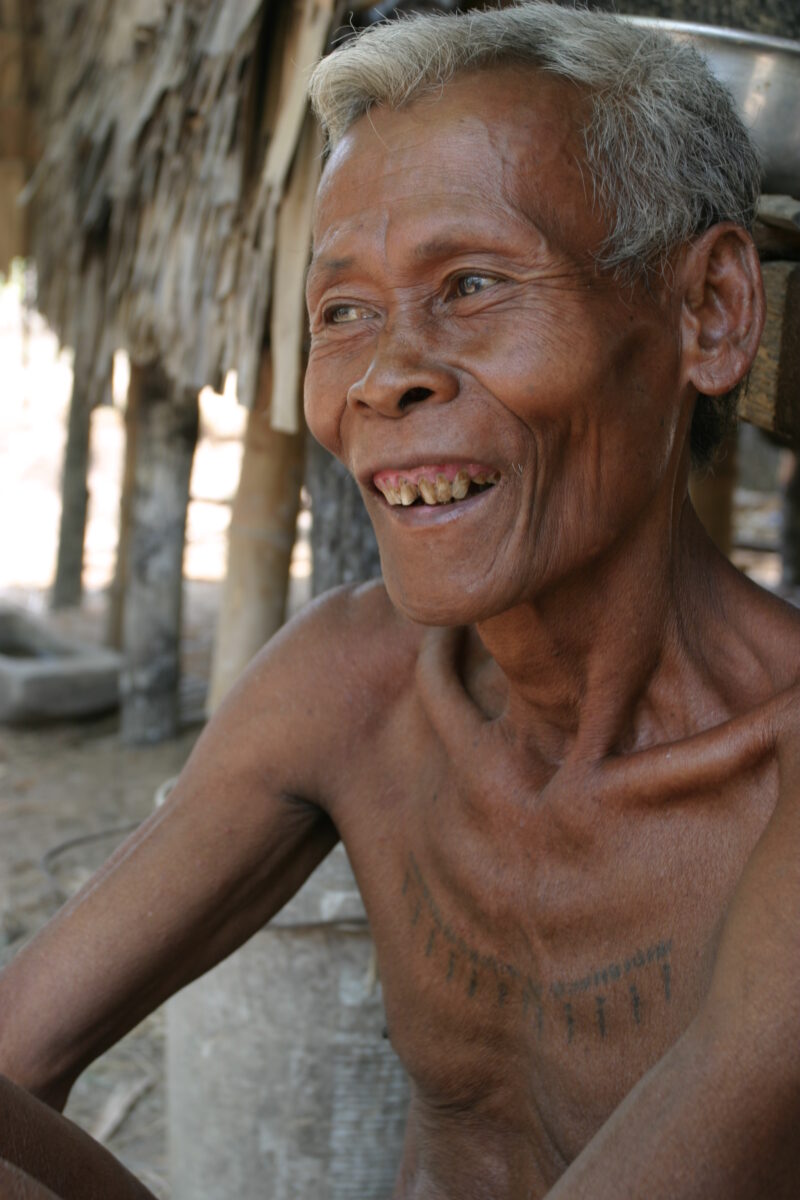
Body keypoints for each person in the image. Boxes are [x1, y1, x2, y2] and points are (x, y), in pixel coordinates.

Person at [1, 5, 799, 1197]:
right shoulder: (352, 683)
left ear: (709, 310)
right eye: (343, 312)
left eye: (472, 284)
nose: (383, 377)